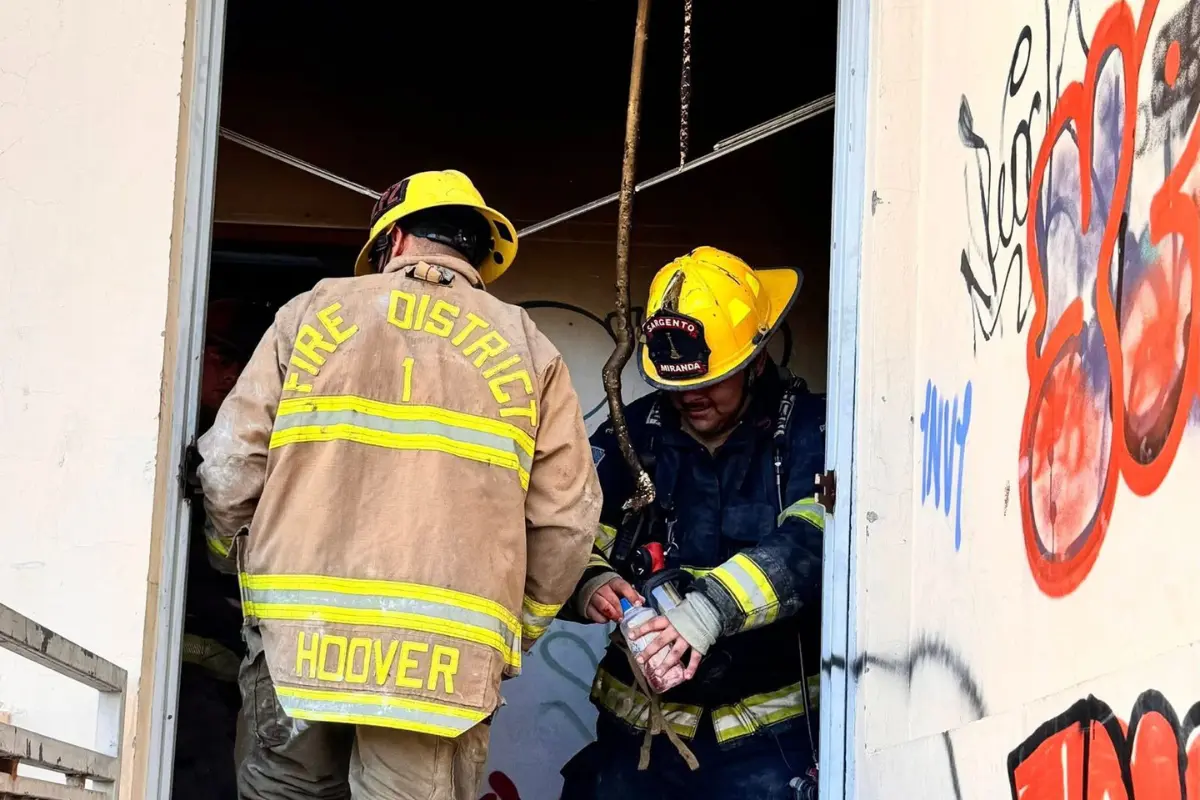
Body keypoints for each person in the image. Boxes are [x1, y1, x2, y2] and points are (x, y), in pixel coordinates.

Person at [197, 169, 602, 800]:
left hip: (301, 642)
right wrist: (510, 634)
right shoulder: (529, 348)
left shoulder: (309, 314)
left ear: (397, 240)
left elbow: (227, 470)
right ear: (477, 254)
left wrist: (234, 566)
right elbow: (568, 521)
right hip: (438, 665)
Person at [560, 246, 826, 799]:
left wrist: (709, 609)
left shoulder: (808, 431)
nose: (691, 397)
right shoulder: (634, 433)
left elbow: (814, 541)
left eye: (711, 381)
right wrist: (589, 583)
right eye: (676, 385)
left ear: (755, 361)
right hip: (636, 742)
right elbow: (565, 531)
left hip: (769, 745)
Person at [174, 298, 276, 800]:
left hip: (216, 662)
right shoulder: (179, 428)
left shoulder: (230, 436)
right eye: (220, 354)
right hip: (191, 664)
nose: (231, 371)